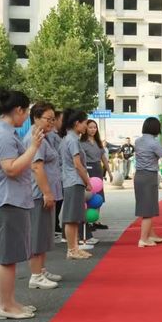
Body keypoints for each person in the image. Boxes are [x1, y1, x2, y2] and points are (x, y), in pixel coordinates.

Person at [0, 89, 43, 319]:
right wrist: (33, 148)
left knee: (10, 256)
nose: (27, 116)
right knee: (7, 258)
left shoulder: (5, 132)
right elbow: (10, 168)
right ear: (18, 110)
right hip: (8, 201)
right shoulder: (4, 135)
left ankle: (10, 302)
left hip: (12, 200)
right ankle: (6, 306)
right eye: (26, 111)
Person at [24, 103, 63, 290]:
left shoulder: (44, 137)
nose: (51, 122)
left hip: (46, 192)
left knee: (44, 233)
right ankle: (35, 275)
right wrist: (47, 192)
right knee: (37, 234)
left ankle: (41, 269)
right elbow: (37, 167)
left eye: (53, 119)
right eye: (48, 119)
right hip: (39, 193)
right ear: (36, 118)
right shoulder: (35, 138)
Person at [134, 117, 162, 248]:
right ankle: (143, 239)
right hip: (149, 176)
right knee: (149, 209)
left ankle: (150, 234)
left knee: (144, 206)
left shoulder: (138, 141)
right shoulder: (154, 143)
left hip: (138, 175)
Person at [59, 109, 92, 260]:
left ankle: (75, 248)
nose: (86, 126)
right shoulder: (71, 140)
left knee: (75, 217)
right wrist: (87, 181)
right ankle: (72, 249)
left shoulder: (70, 139)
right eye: (85, 123)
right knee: (71, 217)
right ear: (77, 123)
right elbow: (77, 164)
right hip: (74, 181)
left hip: (72, 181)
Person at [81, 120, 112, 235]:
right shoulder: (82, 143)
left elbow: (103, 158)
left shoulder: (98, 142)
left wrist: (109, 172)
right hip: (88, 170)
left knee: (98, 195)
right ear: (86, 128)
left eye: (95, 127)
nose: (93, 130)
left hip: (98, 169)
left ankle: (95, 220)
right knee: (89, 194)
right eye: (90, 127)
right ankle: (86, 221)